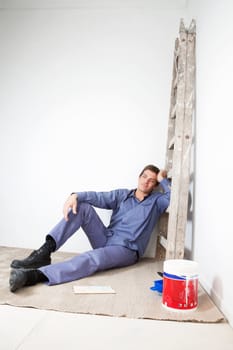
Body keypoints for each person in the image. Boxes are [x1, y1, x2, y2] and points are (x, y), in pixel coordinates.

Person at [9, 164, 171, 292]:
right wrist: (75, 196)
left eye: (151, 180)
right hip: (106, 238)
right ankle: (44, 252)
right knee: (83, 206)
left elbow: (174, 198)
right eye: (144, 176)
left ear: (155, 185)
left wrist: (163, 179)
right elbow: (99, 197)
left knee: (92, 257)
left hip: (126, 249)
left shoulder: (157, 202)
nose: (146, 181)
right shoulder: (122, 195)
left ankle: (36, 275)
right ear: (139, 176)